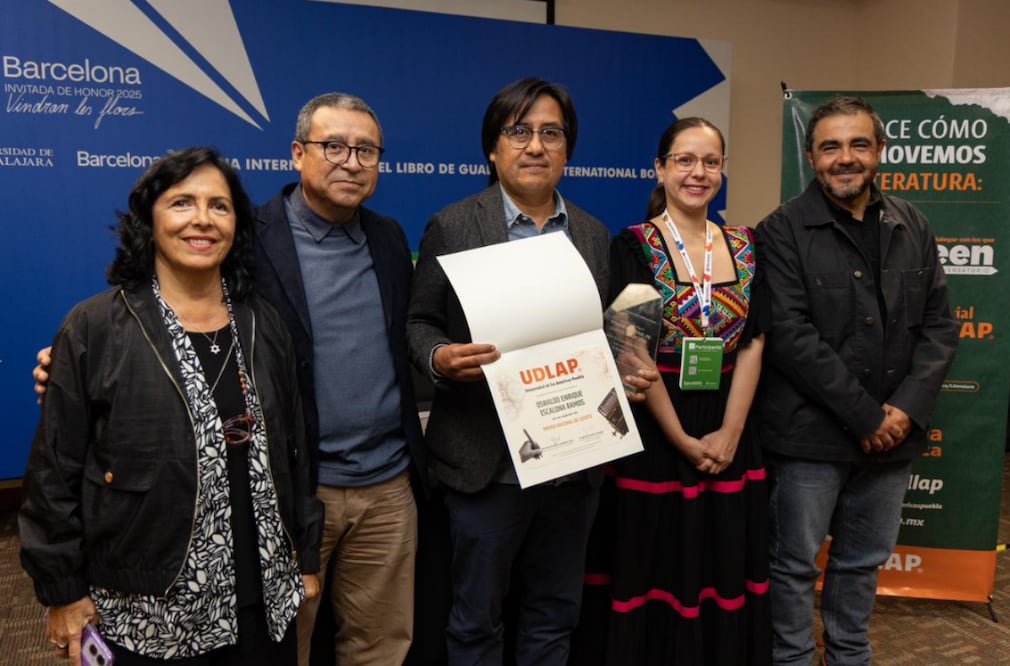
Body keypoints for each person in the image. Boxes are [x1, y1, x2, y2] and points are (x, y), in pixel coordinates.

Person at [32, 93, 442, 666]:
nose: (351, 161)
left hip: (374, 487)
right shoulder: (250, 239)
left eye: (366, 150)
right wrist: (74, 361)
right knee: (288, 643)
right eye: (333, 146)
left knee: (375, 645)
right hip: (285, 492)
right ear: (298, 154)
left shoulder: (389, 239)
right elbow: (160, 321)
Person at [19, 147, 321, 666]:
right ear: (149, 220)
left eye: (219, 206)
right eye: (182, 203)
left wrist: (306, 556)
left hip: (262, 598)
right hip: (147, 607)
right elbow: (54, 474)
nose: (202, 219)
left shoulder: (263, 323)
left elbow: (295, 450)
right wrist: (64, 592)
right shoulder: (94, 327)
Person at [406, 77, 655, 666]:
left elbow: (611, 336)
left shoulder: (594, 235)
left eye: (551, 133)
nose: (535, 146)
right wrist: (441, 358)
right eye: (519, 132)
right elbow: (418, 324)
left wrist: (629, 370)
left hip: (574, 463)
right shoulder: (453, 225)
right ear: (493, 149)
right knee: (474, 622)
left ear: (568, 151)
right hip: (484, 465)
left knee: (554, 615)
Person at [755, 96, 958, 665]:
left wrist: (903, 412)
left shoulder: (912, 223)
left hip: (893, 438)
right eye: (831, 147)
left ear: (879, 152)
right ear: (811, 157)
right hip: (809, 438)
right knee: (794, 564)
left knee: (862, 562)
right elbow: (792, 338)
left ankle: (849, 656)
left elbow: (940, 326)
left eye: (858, 144)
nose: (845, 158)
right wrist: (868, 416)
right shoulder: (781, 230)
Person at [573, 118, 771, 665]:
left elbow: (754, 343)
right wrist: (684, 439)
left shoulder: (746, 246)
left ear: (723, 171)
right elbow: (630, 348)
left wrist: (728, 434)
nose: (698, 172)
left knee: (720, 562)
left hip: (731, 424)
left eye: (710, 161)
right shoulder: (633, 246)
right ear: (660, 169)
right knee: (653, 564)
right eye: (684, 160)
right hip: (655, 429)